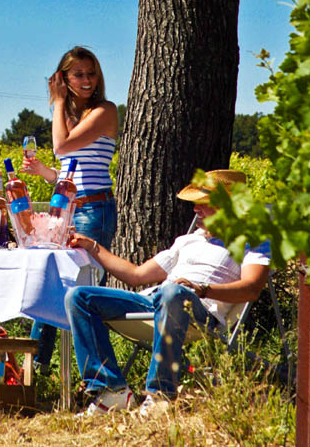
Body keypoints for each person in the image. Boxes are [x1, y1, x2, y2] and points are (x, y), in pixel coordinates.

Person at [64, 170, 271, 417]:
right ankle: (111, 392)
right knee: (78, 297)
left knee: (173, 292)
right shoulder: (188, 241)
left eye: (203, 204)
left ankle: (160, 395)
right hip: (157, 300)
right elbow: (136, 275)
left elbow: (252, 287)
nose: (196, 210)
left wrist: (201, 290)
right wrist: (92, 246)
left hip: (199, 309)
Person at [22, 46, 119, 373]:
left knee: (80, 288)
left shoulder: (104, 111)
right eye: (78, 74)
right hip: (66, 210)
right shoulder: (70, 118)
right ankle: (38, 369)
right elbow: (71, 169)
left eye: (90, 73)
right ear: (64, 77)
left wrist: (58, 100)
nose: (86, 80)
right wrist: (46, 174)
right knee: (53, 284)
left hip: (93, 210)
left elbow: (62, 146)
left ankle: (94, 372)